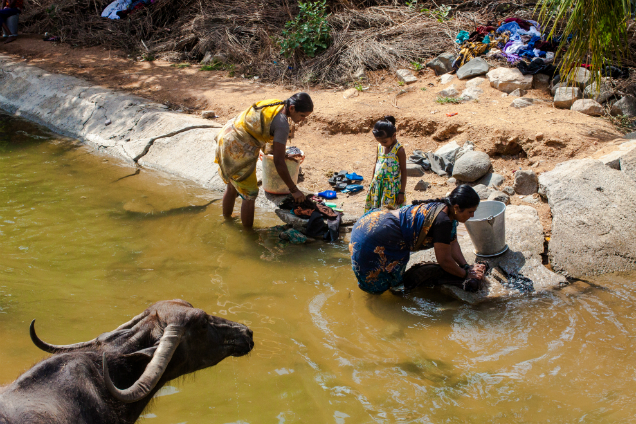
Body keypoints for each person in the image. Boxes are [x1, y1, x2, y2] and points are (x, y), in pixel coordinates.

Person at [349, 185, 487, 294]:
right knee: (379, 284)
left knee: (390, 280)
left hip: (370, 222)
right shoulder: (443, 221)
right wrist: (465, 276)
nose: (473, 215)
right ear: (457, 208)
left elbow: (452, 242)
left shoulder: (447, 211)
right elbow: (444, 260)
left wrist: (467, 267)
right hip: (375, 236)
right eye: (470, 211)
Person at [215, 93, 313, 228]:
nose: (302, 119)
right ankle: (248, 236)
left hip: (227, 135)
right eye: (302, 115)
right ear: (292, 108)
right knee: (250, 194)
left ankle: (227, 221)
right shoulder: (282, 123)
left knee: (232, 185)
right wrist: (294, 189)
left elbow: (264, 131)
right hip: (236, 146)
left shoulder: (277, 105)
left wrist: (283, 154)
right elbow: (278, 163)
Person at [364, 116, 407, 213]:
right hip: (377, 186)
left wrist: (401, 192)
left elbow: (404, 171)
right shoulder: (380, 147)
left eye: (384, 141)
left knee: (389, 214)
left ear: (394, 136)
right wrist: (371, 184)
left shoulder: (399, 150)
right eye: (379, 141)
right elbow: (376, 164)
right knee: (375, 213)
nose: (382, 144)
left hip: (391, 190)